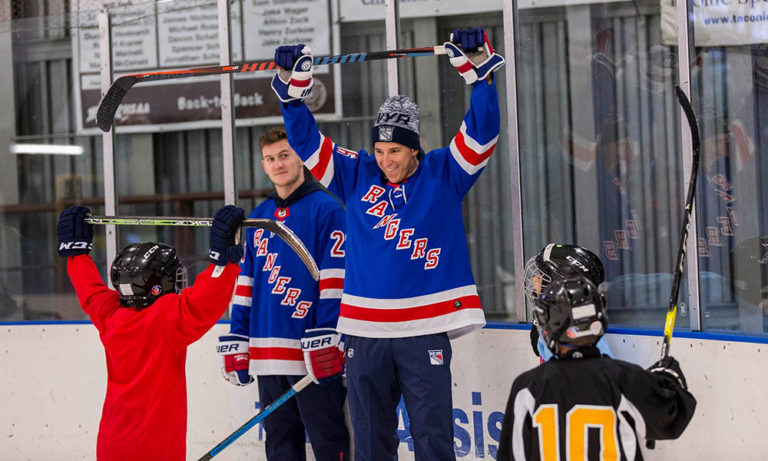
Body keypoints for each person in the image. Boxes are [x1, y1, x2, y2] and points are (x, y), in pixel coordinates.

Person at [270, 27, 504, 460]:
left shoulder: (443, 173)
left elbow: (481, 133)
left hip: (423, 330)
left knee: (433, 439)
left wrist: (479, 78)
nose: (385, 160)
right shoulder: (355, 173)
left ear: (414, 150)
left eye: (394, 151)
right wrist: (292, 95)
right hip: (365, 331)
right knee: (372, 440)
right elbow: (306, 143)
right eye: (379, 149)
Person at [57, 204, 245, 461]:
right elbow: (205, 301)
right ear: (159, 285)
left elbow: (90, 291)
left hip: (111, 445)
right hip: (156, 450)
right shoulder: (167, 318)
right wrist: (222, 262)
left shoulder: (110, 316)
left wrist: (76, 255)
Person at [217, 127, 350, 460]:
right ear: (263, 165)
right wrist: (238, 334)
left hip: (311, 351)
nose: (278, 164)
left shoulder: (328, 210)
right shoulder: (259, 217)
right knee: (279, 442)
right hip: (267, 352)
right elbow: (246, 281)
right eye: (270, 159)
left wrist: (328, 333)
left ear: (301, 159)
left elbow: (336, 277)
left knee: (328, 437)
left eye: (285, 155)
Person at [498, 276, 697, 460]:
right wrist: (667, 377)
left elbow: (512, 456)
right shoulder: (623, 378)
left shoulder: (527, 387)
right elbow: (671, 419)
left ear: (549, 328)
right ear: (599, 320)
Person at [524, 243, 614, 362]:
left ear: (560, 283)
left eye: (540, 276)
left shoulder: (585, 332)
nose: (534, 279)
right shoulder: (552, 322)